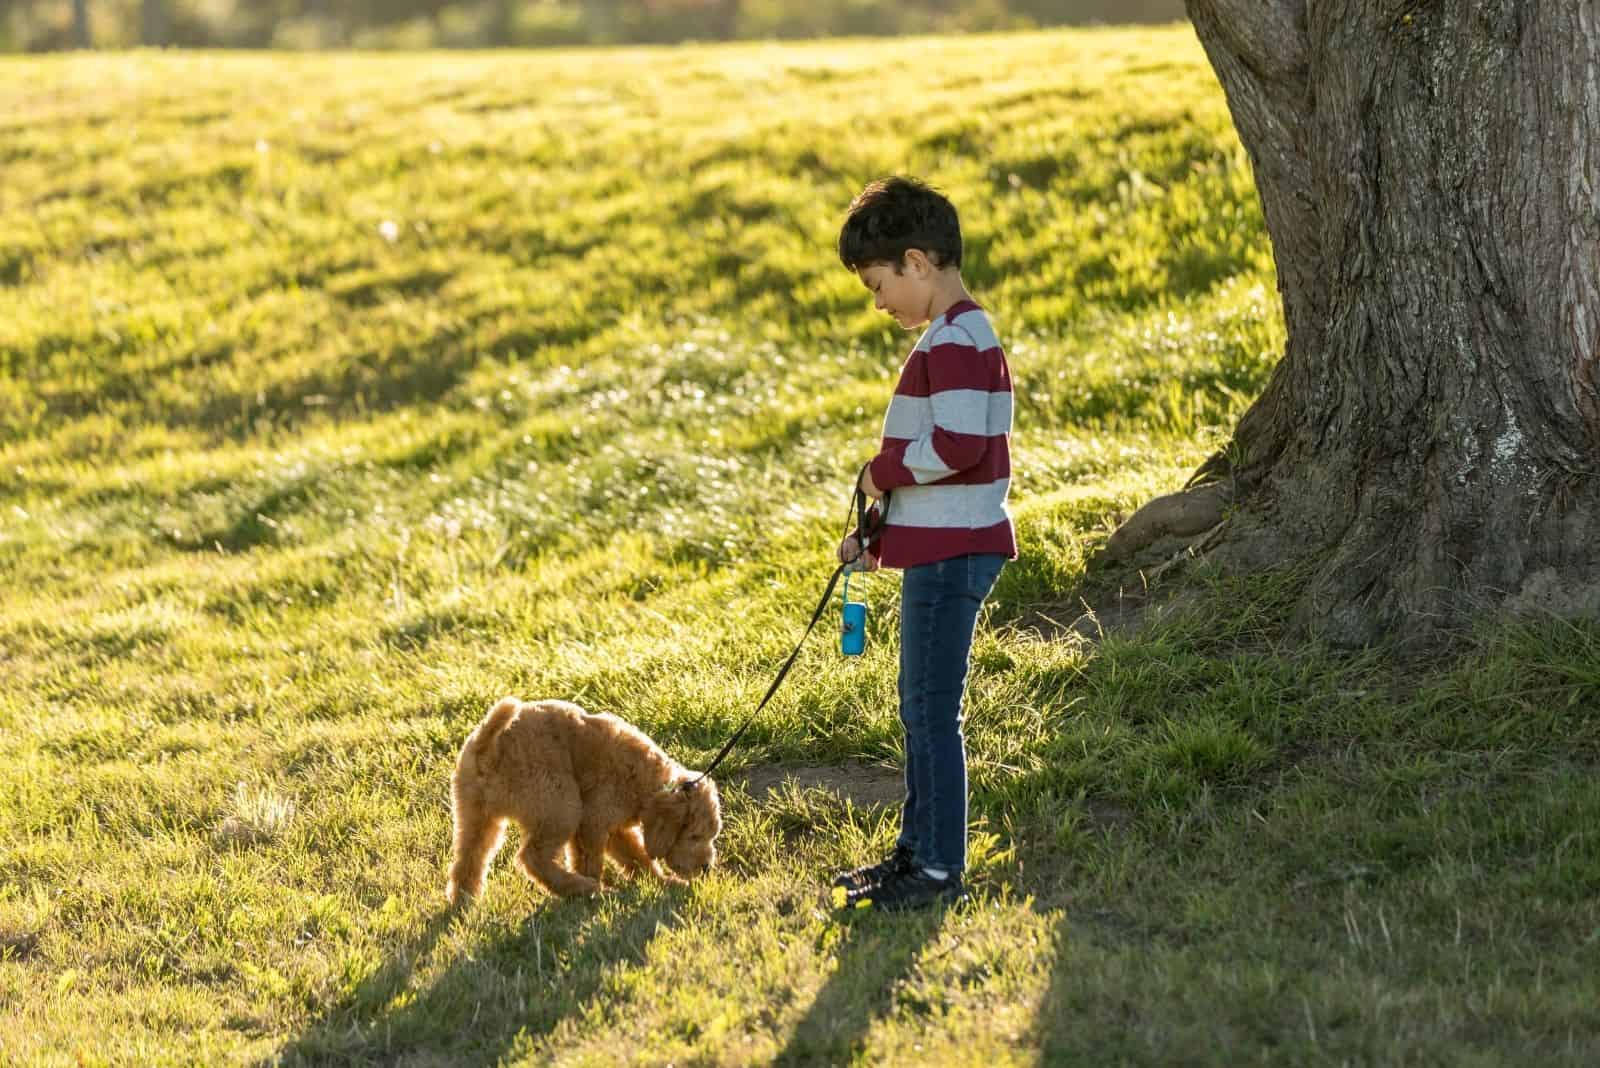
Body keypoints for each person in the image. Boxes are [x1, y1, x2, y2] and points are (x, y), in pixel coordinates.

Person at [831, 176, 1016, 912]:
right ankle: (917, 853)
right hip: (941, 548)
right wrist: (876, 540)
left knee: (933, 710)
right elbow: (943, 474)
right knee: (921, 707)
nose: (880, 305)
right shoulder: (950, 338)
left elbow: (962, 444)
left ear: (916, 262)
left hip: (956, 556)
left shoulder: (964, 338)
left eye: (879, 286)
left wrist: (882, 470)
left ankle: (939, 868)